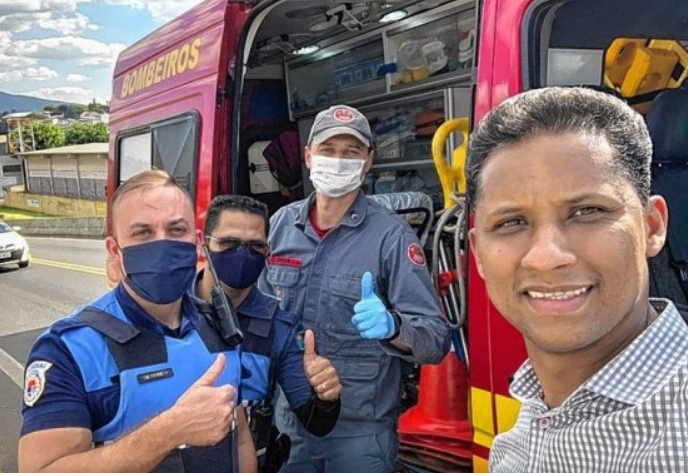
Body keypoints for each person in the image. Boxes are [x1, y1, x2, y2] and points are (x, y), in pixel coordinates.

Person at [466, 87, 688, 472]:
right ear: (478, 253)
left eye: (588, 211)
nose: (547, 256)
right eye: (511, 222)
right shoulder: (516, 440)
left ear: (652, 227)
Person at [19, 170, 250, 473]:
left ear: (196, 243)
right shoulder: (68, 350)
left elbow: (240, 438)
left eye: (176, 229)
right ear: (115, 251)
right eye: (142, 233)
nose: (162, 245)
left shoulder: (220, 325)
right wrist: (168, 431)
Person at [261, 104, 451, 472]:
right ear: (308, 156)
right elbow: (256, 313)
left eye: (351, 152)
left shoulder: (391, 237)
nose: (338, 160)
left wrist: (394, 327)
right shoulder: (282, 224)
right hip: (292, 416)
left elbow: (435, 340)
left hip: (361, 431)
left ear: (368, 162)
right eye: (329, 150)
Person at [193, 194, 343, 471]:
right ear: (204, 245)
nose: (242, 254)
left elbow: (316, 423)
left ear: (268, 252)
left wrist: (326, 395)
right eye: (229, 243)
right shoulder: (169, 312)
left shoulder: (280, 327)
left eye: (255, 246)